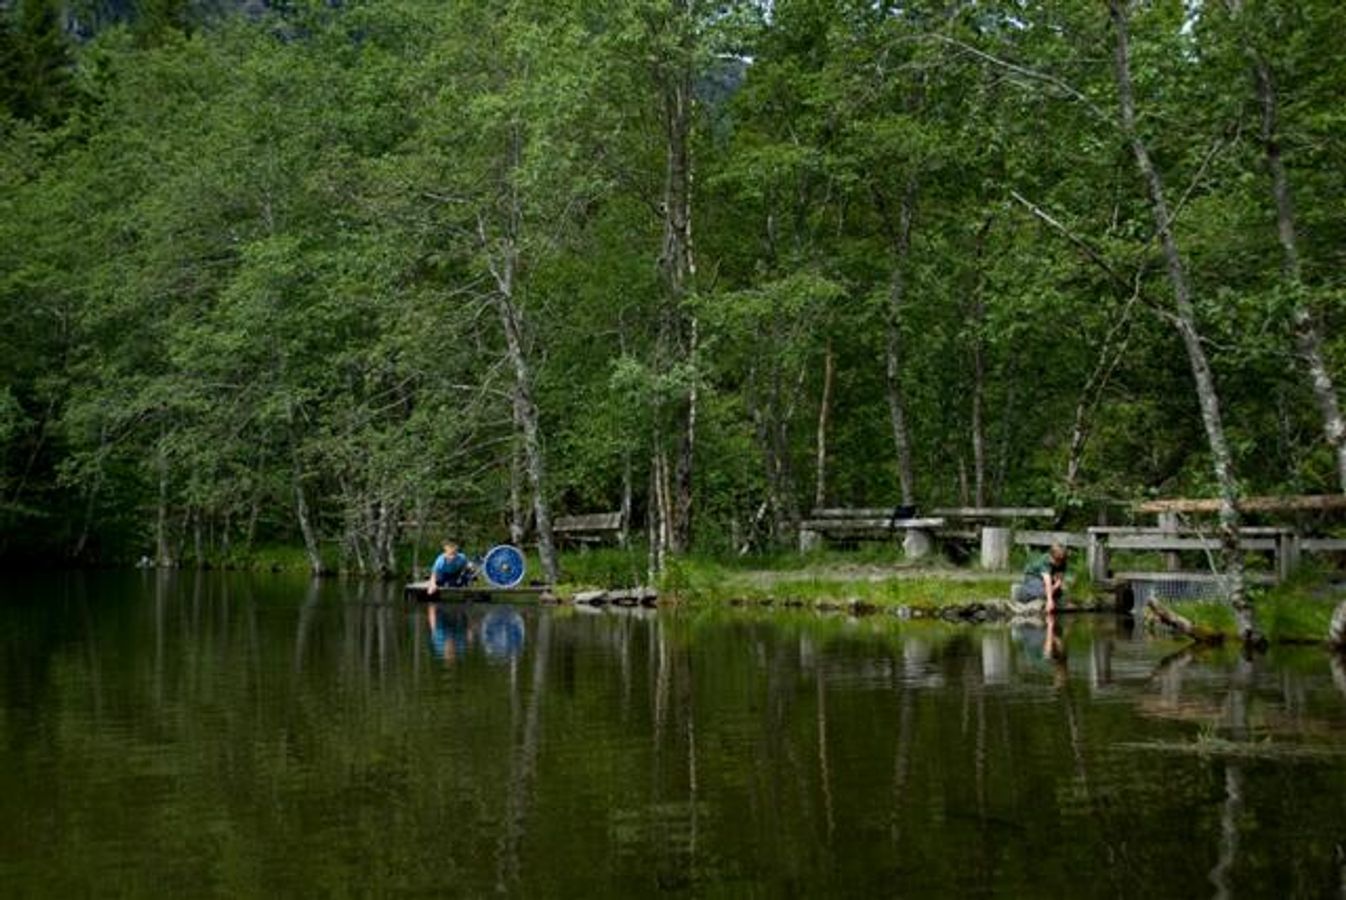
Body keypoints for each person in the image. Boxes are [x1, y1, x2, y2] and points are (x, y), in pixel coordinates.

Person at [1021, 543, 1068, 613]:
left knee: (1058, 593)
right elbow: (1047, 581)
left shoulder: (1063, 562)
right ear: (1051, 556)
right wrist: (1049, 600)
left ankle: (1045, 594)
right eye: (1056, 561)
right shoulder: (1045, 561)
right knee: (1044, 592)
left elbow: (1060, 578)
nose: (1058, 564)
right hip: (1033, 577)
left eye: (1060, 561)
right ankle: (1021, 592)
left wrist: (1054, 588)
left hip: (1047, 579)